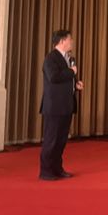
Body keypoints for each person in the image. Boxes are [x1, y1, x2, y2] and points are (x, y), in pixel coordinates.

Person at [39, 29, 83, 180]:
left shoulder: (68, 58)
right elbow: (53, 77)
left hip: (66, 105)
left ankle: (57, 169)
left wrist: (75, 84)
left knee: (61, 140)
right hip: (54, 106)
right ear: (62, 41)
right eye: (70, 39)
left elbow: (64, 80)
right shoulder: (51, 58)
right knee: (51, 140)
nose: (72, 42)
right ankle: (46, 172)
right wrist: (71, 72)